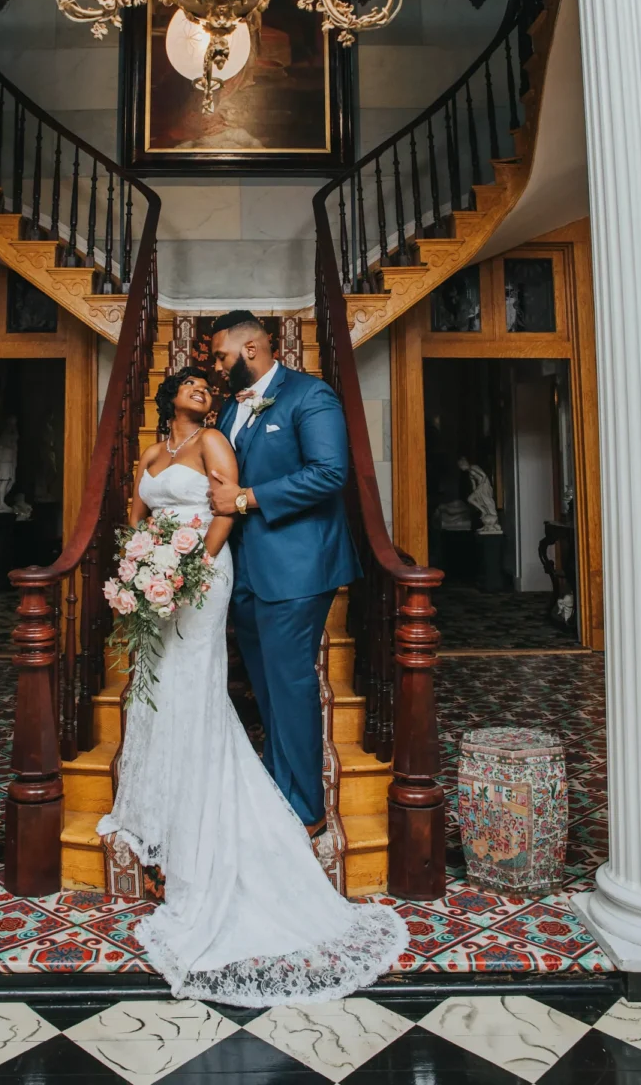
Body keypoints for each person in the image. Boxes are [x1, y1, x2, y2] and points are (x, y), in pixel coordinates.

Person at [98, 365, 406, 1006]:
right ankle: (155, 800)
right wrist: (135, 569)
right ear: (167, 395)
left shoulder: (214, 442)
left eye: (209, 387)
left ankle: (220, 801)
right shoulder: (152, 451)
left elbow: (226, 508)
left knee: (195, 681)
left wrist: (189, 569)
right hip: (157, 575)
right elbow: (134, 517)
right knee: (157, 681)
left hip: (200, 574)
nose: (202, 392)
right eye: (191, 384)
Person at [208, 310, 359, 840]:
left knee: (291, 684)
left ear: (251, 350)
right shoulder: (231, 409)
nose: (217, 367)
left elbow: (329, 472)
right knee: (267, 686)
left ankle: (305, 809)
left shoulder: (309, 396)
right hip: (245, 571)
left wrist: (247, 498)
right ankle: (278, 787)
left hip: (298, 568)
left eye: (222, 357)